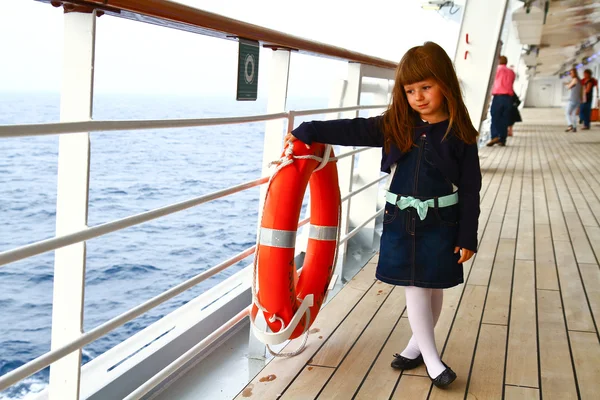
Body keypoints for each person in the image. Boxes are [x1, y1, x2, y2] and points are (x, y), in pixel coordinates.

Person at [285, 42, 481, 389]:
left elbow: (469, 189)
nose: (418, 97)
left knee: (433, 288)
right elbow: (354, 129)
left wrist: (467, 235)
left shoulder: (459, 134)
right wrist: (311, 129)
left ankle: (416, 346)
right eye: (410, 90)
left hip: (441, 223)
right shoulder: (397, 125)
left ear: (445, 85)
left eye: (426, 87)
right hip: (402, 222)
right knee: (416, 286)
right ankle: (433, 360)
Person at [487, 55, 515, 147]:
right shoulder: (511, 72)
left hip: (498, 97)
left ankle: (495, 136)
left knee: (495, 116)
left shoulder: (496, 70)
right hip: (508, 98)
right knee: (504, 118)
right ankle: (502, 139)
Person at [565, 68, 582, 132]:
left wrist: (567, 85)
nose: (570, 74)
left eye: (571, 73)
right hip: (578, 100)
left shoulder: (574, 79)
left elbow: (568, 87)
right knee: (574, 114)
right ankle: (574, 128)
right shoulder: (579, 80)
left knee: (567, 113)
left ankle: (570, 125)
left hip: (572, 99)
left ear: (574, 73)